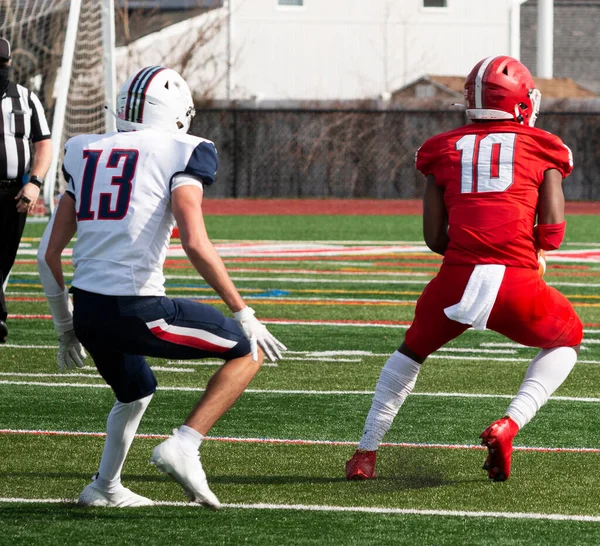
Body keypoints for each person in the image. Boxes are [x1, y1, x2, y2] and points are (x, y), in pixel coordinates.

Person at [37, 65, 287, 508]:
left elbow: (46, 255)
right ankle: (185, 444)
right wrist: (243, 311)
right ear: (175, 112)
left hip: (90, 312)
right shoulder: (183, 149)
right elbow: (195, 241)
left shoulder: (83, 150)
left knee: (135, 390)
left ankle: (104, 487)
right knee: (248, 351)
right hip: (139, 310)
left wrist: (65, 327)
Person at [345, 56, 583, 483]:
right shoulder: (544, 145)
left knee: (410, 353)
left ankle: (365, 453)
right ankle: (509, 424)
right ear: (521, 102)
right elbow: (552, 231)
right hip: (517, 282)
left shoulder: (441, 148)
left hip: (455, 280)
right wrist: (533, 248)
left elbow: (435, 238)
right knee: (568, 340)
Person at [0, 37, 52, 342]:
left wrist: (34, 183)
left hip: (14, 193)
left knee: (4, 261)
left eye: (3, 64)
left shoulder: (26, 98)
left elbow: (43, 143)